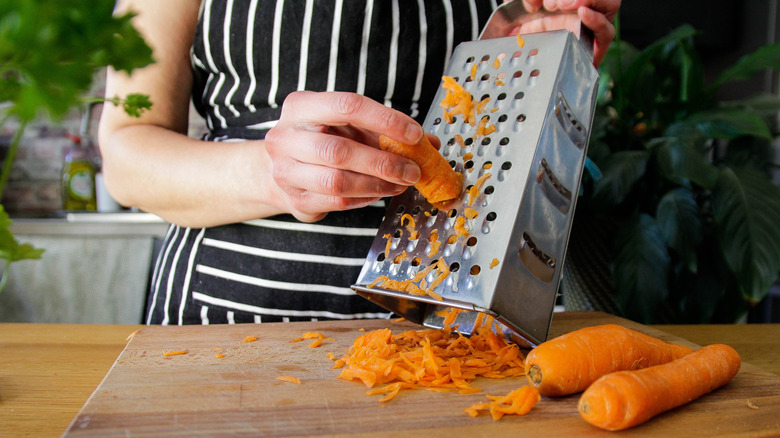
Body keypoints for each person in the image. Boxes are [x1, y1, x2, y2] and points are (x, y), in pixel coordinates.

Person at [98, 0, 620, 325]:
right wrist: (269, 175)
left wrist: (554, 35)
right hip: (229, 317)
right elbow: (125, 152)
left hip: (465, 311)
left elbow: (526, 81)